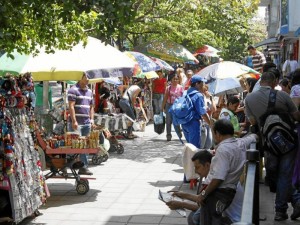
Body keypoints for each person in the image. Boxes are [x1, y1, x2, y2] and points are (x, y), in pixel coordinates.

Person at [244, 71, 300, 221]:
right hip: (288, 141)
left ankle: (287, 206)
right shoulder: (283, 96)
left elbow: (253, 122)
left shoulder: (249, 99)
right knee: (285, 175)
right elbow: (297, 116)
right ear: (275, 81)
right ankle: (288, 206)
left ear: (261, 81)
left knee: (274, 175)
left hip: (268, 143)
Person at [196, 119, 258, 225]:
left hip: (217, 192)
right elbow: (254, 137)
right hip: (226, 190)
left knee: (209, 219)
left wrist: (203, 194)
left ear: (218, 134)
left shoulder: (223, 150)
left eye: (213, 132)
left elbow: (218, 178)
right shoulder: (240, 143)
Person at [166, 150, 244, 225]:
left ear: (207, 165)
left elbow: (205, 208)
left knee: (195, 218)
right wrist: (182, 195)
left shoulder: (215, 181)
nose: (195, 171)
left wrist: (181, 204)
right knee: (194, 216)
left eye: (198, 167)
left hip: (233, 220)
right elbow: (202, 200)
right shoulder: (217, 177)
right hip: (226, 215)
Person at [68, 73, 94, 175]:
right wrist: (74, 120)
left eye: (89, 78)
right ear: (81, 77)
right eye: (86, 77)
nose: (88, 80)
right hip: (77, 123)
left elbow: (91, 106)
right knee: (75, 145)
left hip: (87, 122)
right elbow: (71, 106)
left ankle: (84, 166)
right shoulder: (73, 90)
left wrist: (92, 119)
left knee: (85, 146)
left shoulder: (90, 91)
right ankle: (71, 165)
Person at [181, 75, 210, 148]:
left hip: (184, 123)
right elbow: (203, 112)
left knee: (190, 146)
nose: (203, 85)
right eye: (202, 83)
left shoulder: (185, 93)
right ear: (197, 84)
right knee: (194, 148)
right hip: (193, 123)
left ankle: (189, 159)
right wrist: (210, 123)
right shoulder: (198, 95)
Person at [161, 74, 183, 141]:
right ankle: (168, 135)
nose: (175, 80)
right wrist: (162, 107)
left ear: (178, 80)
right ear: (171, 80)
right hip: (169, 105)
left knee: (176, 121)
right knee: (168, 121)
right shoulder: (169, 88)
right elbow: (165, 98)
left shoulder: (180, 87)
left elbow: (183, 98)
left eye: (176, 79)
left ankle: (179, 133)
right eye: (174, 79)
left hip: (177, 107)